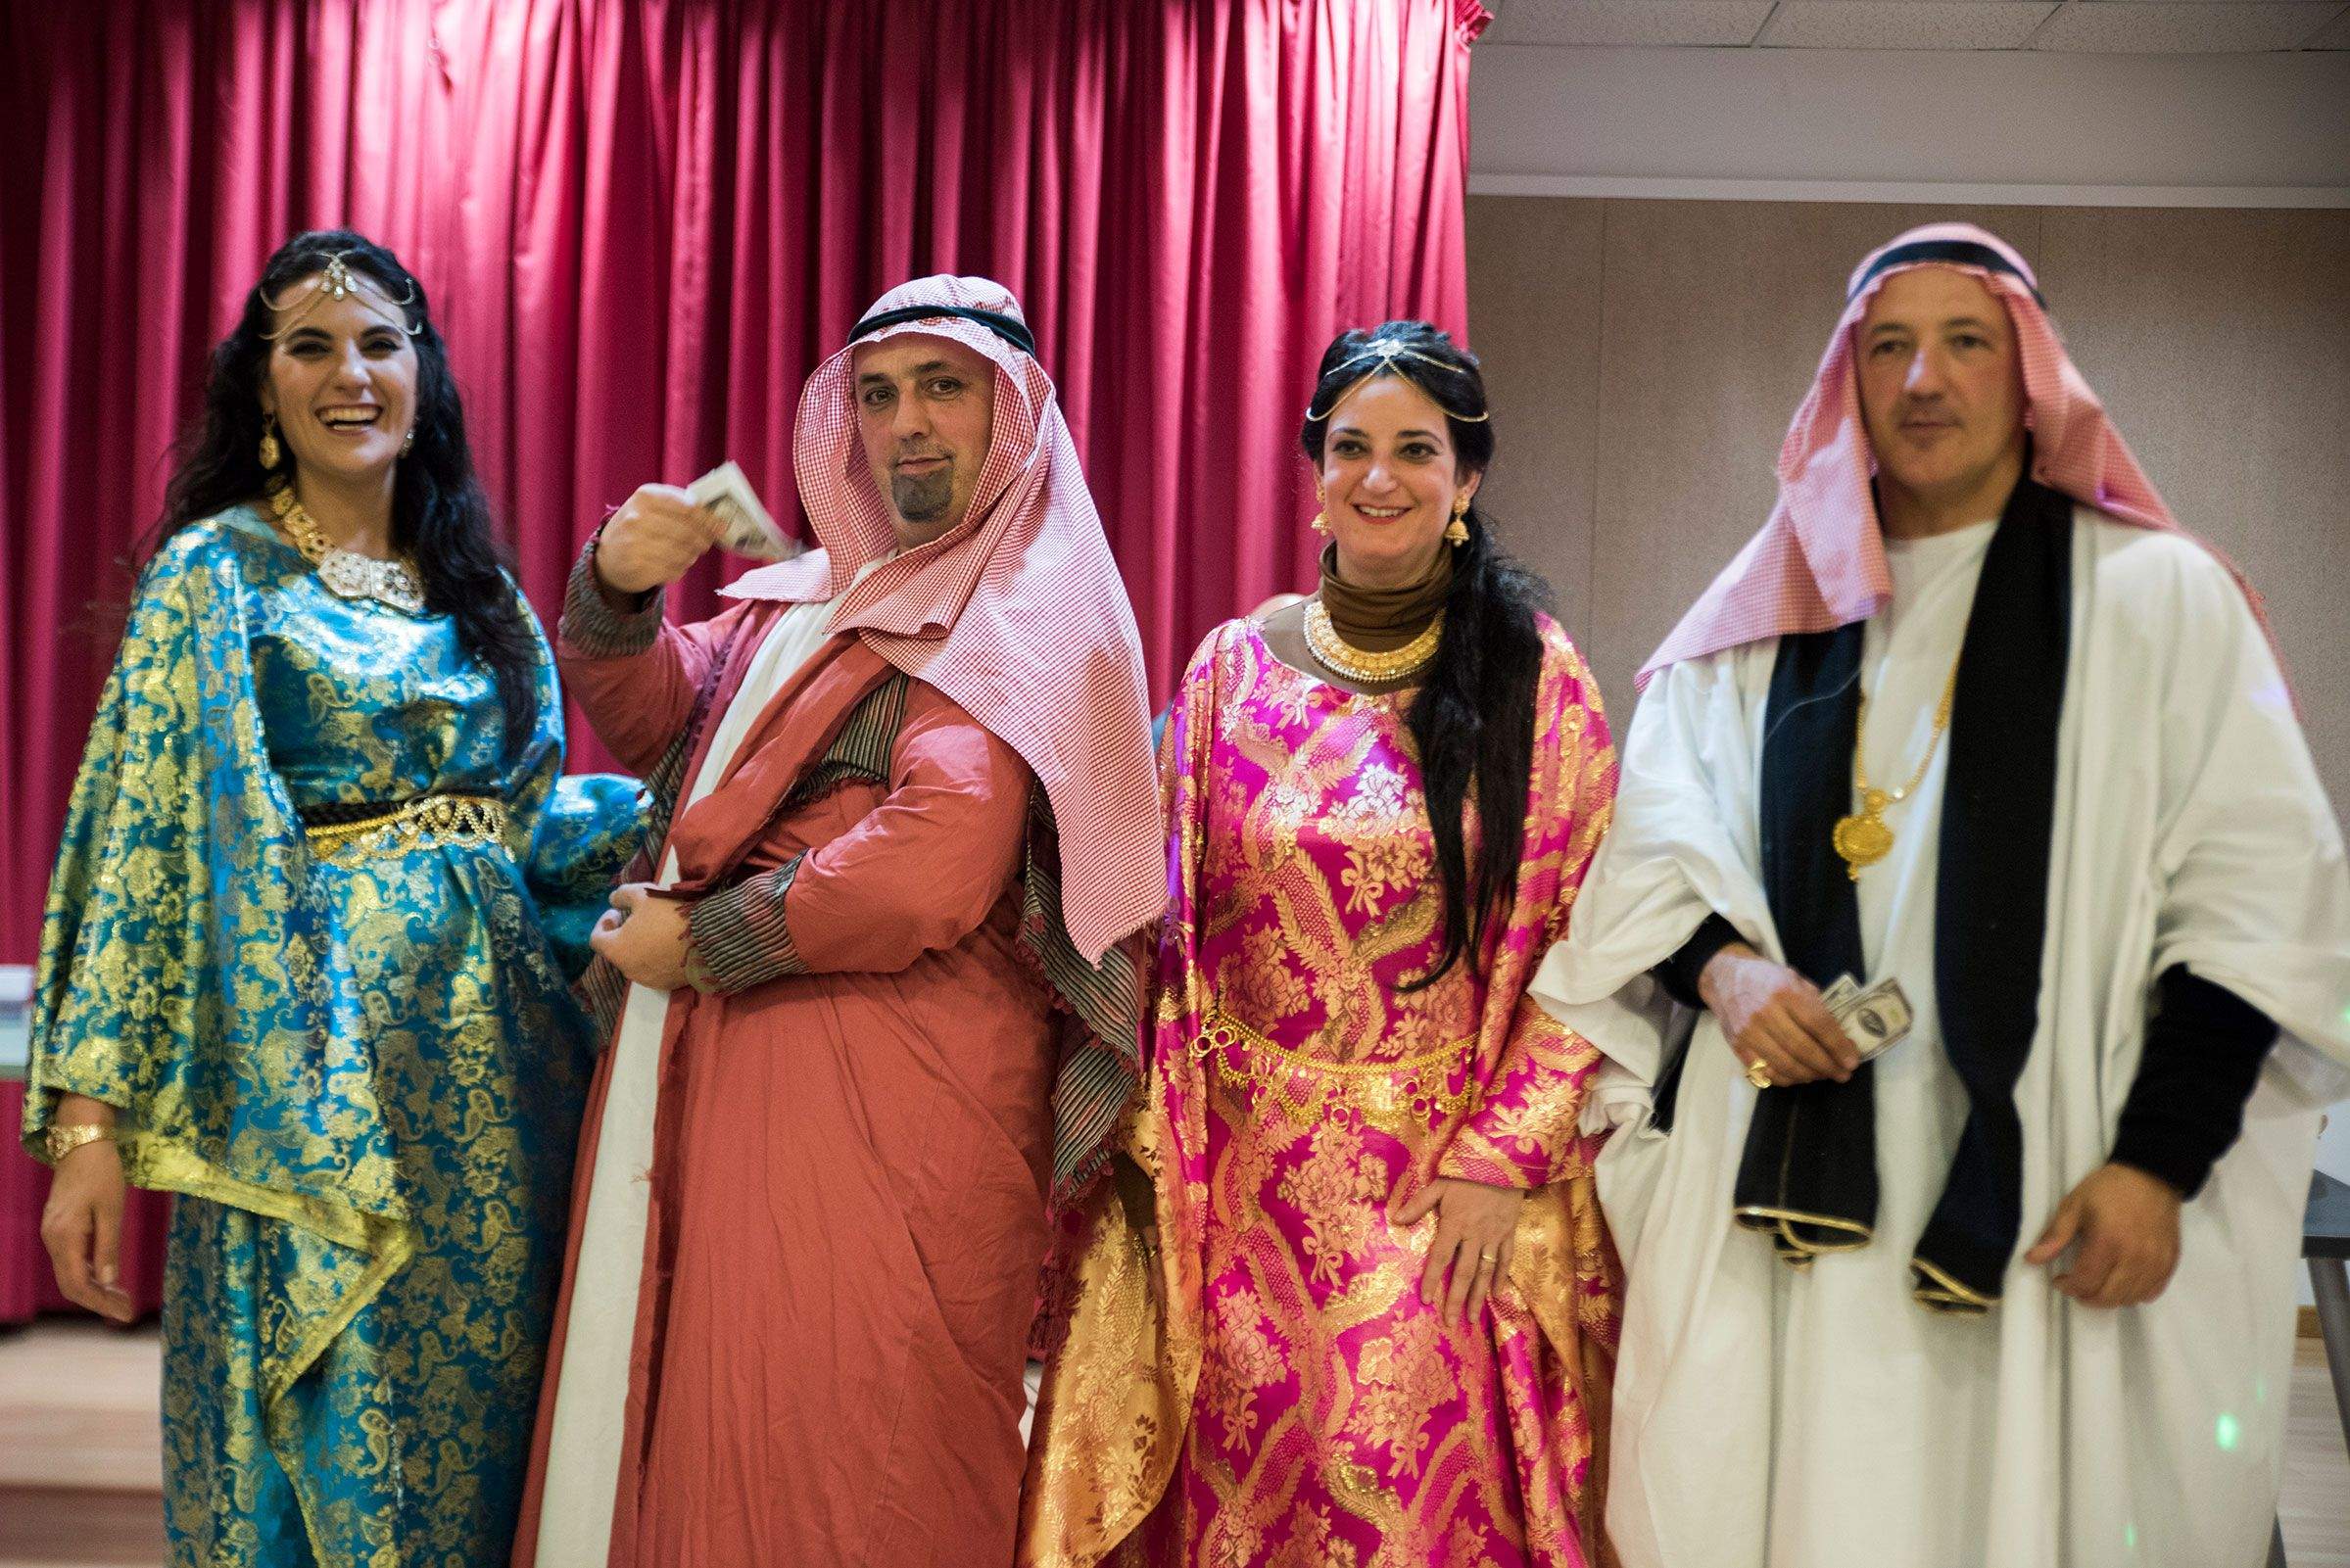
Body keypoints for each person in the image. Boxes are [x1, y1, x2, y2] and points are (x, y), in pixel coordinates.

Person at [1536, 222, 2350, 1567]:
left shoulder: (2154, 603)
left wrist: (2158, 1160)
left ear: (2028, 374)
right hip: (1787, 1200)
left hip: (2060, 1174)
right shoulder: (1753, 627)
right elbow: (1646, 860)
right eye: (1887, 346)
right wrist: (1725, 974)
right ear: (1844, 384)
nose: (1923, 378)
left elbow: (2251, 899)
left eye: (1963, 340)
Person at [509, 275, 1163, 1568]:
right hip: (738, 1070)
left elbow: (931, 862)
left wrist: (701, 941)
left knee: (863, 1443)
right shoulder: (815, 596)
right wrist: (615, 589)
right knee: (714, 1420)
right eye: (875, 394)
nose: (905, 423)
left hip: (894, 1099)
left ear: (1016, 414)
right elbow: (664, 726)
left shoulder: (1015, 615)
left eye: (942, 388)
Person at [24, 229, 643, 1567]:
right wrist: (88, 1130)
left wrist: (693, 826)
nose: (349, 373)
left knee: (489, 1425)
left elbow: (530, 831)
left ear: (424, 376)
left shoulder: (473, 587)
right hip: (307, 1086)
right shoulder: (219, 576)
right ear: (261, 387)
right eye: (310, 345)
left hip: (502, 1093)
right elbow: (143, 845)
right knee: (321, 1426)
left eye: (379, 342)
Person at [1022, 321, 1623, 1567]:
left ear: (1466, 480)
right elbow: (1150, 907)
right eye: (1351, 447)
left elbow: (1593, 929)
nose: (1380, 475)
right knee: (1236, 1508)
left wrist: (1502, 1157)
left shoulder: (1535, 679)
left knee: (1394, 1499)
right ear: (1314, 473)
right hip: (1230, 1191)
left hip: (1438, 1191)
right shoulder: (1229, 668)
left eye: (1416, 449)